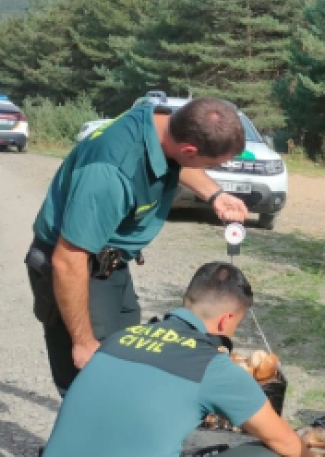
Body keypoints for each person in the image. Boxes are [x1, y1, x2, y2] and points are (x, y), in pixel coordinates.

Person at [25, 97, 250, 395]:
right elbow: (68, 261)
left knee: (125, 355)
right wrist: (82, 341)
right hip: (75, 267)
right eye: (210, 165)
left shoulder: (159, 122)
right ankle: (79, 438)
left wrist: (215, 195)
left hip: (109, 264)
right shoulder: (110, 173)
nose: (211, 171)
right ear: (190, 150)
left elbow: (177, 162)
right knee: (89, 378)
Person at [42, 262, 307, 457]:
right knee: (270, 454)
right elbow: (288, 444)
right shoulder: (213, 368)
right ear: (227, 319)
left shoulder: (118, 339)